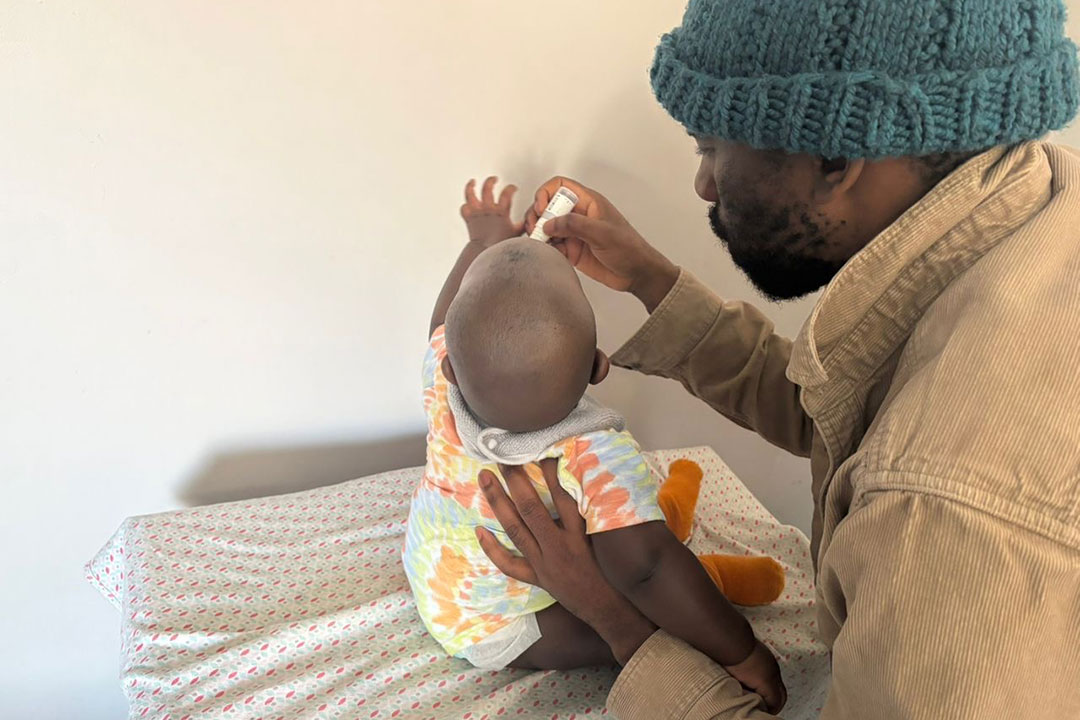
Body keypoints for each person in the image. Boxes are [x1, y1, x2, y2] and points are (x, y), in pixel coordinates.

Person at [473, 1, 1080, 718]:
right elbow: (849, 420)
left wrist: (611, 616)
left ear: (835, 159)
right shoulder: (1039, 198)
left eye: (709, 150)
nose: (703, 186)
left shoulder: (942, 516)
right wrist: (649, 278)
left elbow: (908, 459)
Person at [402, 176, 788, 708]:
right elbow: (648, 566)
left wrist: (483, 240)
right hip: (509, 625)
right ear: (597, 368)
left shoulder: (443, 379)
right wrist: (744, 652)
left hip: (437, 579)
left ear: (447, 364)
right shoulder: (594, 452)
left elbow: (443, 318)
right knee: (653, 633)